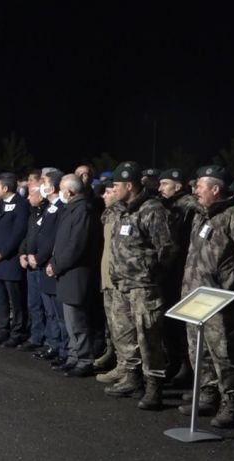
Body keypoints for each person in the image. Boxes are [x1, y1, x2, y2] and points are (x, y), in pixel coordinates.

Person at [177, 166, 234, 427]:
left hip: (221, 299)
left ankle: (231, 402)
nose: (195, 190)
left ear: (215, 188)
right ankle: (207, 392)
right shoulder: (203, 215)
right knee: (199, 349)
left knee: (225, 353)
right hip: (195, 295)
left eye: (200, 185)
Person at [104, 161, 177, 411]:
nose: (112, 189)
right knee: (124, 333)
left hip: (143, 287)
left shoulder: (152, 209)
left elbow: (166, 249)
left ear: (129, 185)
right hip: (122, 285)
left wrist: (150, 273)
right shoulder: (122, 210)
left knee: (148, 337)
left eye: (116, 185)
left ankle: (154, 387)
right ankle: (132, 378)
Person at [47, 174, 101, 377]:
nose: (59, 191)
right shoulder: (71, 209)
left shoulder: (83, 211)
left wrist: (57, 265)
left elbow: (76, 245)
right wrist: (54, 263)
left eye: (61, 188)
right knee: (69, 320)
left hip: (76, 273)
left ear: (69, 191)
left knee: (77, 320)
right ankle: (73, 356)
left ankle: (84, 359)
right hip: (66, 272)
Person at [158, 168, 202, 386]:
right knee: (169, 322)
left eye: (165, 184)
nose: (160, 188)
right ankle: (174, 362)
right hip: (170, 270)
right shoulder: (168, 205)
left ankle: (185, 366)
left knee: (181, 323)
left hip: (182, 270)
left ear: (178, 185)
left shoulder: (189, 206)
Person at [0, 173, 30, 344]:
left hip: (9, 261)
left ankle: (18, 332)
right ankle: (3, 329)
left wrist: (1, 253)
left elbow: (18, 233)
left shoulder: (21, 205)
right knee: (0, 298)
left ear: (5, 188)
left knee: (15, 300)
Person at [32, 171, 68, 364]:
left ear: (52, 187)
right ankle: (53, 345)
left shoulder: (61, 208)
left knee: (58, 312)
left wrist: (40, 257)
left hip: (50, 265)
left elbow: (53, 239)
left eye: (44, 182)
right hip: (42, 264)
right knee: (49, 311)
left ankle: (64, 350)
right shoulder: (49, 208)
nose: (41, 186)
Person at [94, 178, 123, 380]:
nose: (104, 195)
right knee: (111, 323)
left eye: (109, 192)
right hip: (107, 278)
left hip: (121, 281)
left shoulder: (125, 215)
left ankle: (125, 367)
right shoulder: (108, 214)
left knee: (123, 327)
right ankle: (113, 355)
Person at [17, 182, 47, 351]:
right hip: (29, 263)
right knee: (33, 304)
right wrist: (22, 253)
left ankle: (49, 341)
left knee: (46, 306)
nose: (28, 198)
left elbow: (48, 239)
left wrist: (37, 256)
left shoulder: (49, 212)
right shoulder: (32, 213)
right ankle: (36, 337)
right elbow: (28, 236)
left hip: (40, 264)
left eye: (31, 195)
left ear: (41, 196)